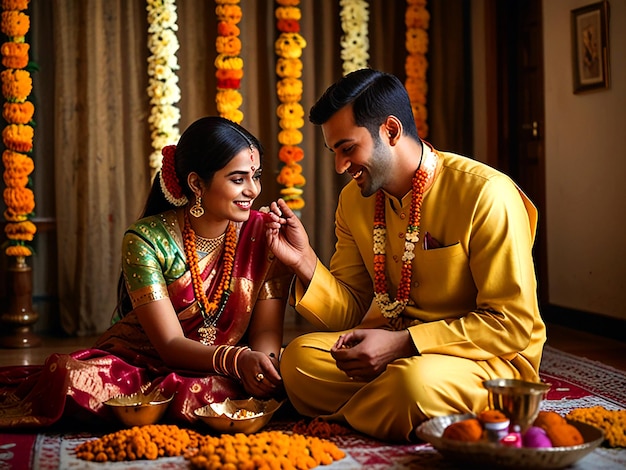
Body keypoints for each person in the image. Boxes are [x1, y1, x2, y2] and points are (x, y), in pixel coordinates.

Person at [265, 69, 546, 442]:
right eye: (334, 152)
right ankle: (391, 412)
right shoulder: (354, 201)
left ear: (391, 131)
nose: (340, 167)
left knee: (412, 385)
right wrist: (303, 261)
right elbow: (350, 312)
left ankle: (361, 411)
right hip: (391, 352)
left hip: (483, 361)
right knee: (299, 360)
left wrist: (404, 343)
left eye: (348, 148)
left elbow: (510, 325)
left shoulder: (486, 193)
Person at [0, 116, 292, 428]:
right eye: (238, 179)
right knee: (71, 379)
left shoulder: (265, 233)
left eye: (256, 176)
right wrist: (236, 361)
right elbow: (168, 345)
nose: (253, 190)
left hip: (231, 365)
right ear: (196, 184)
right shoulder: (147, 239)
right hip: (146, 361)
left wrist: (263, 371)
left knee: (298, 373)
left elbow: (265, 333)